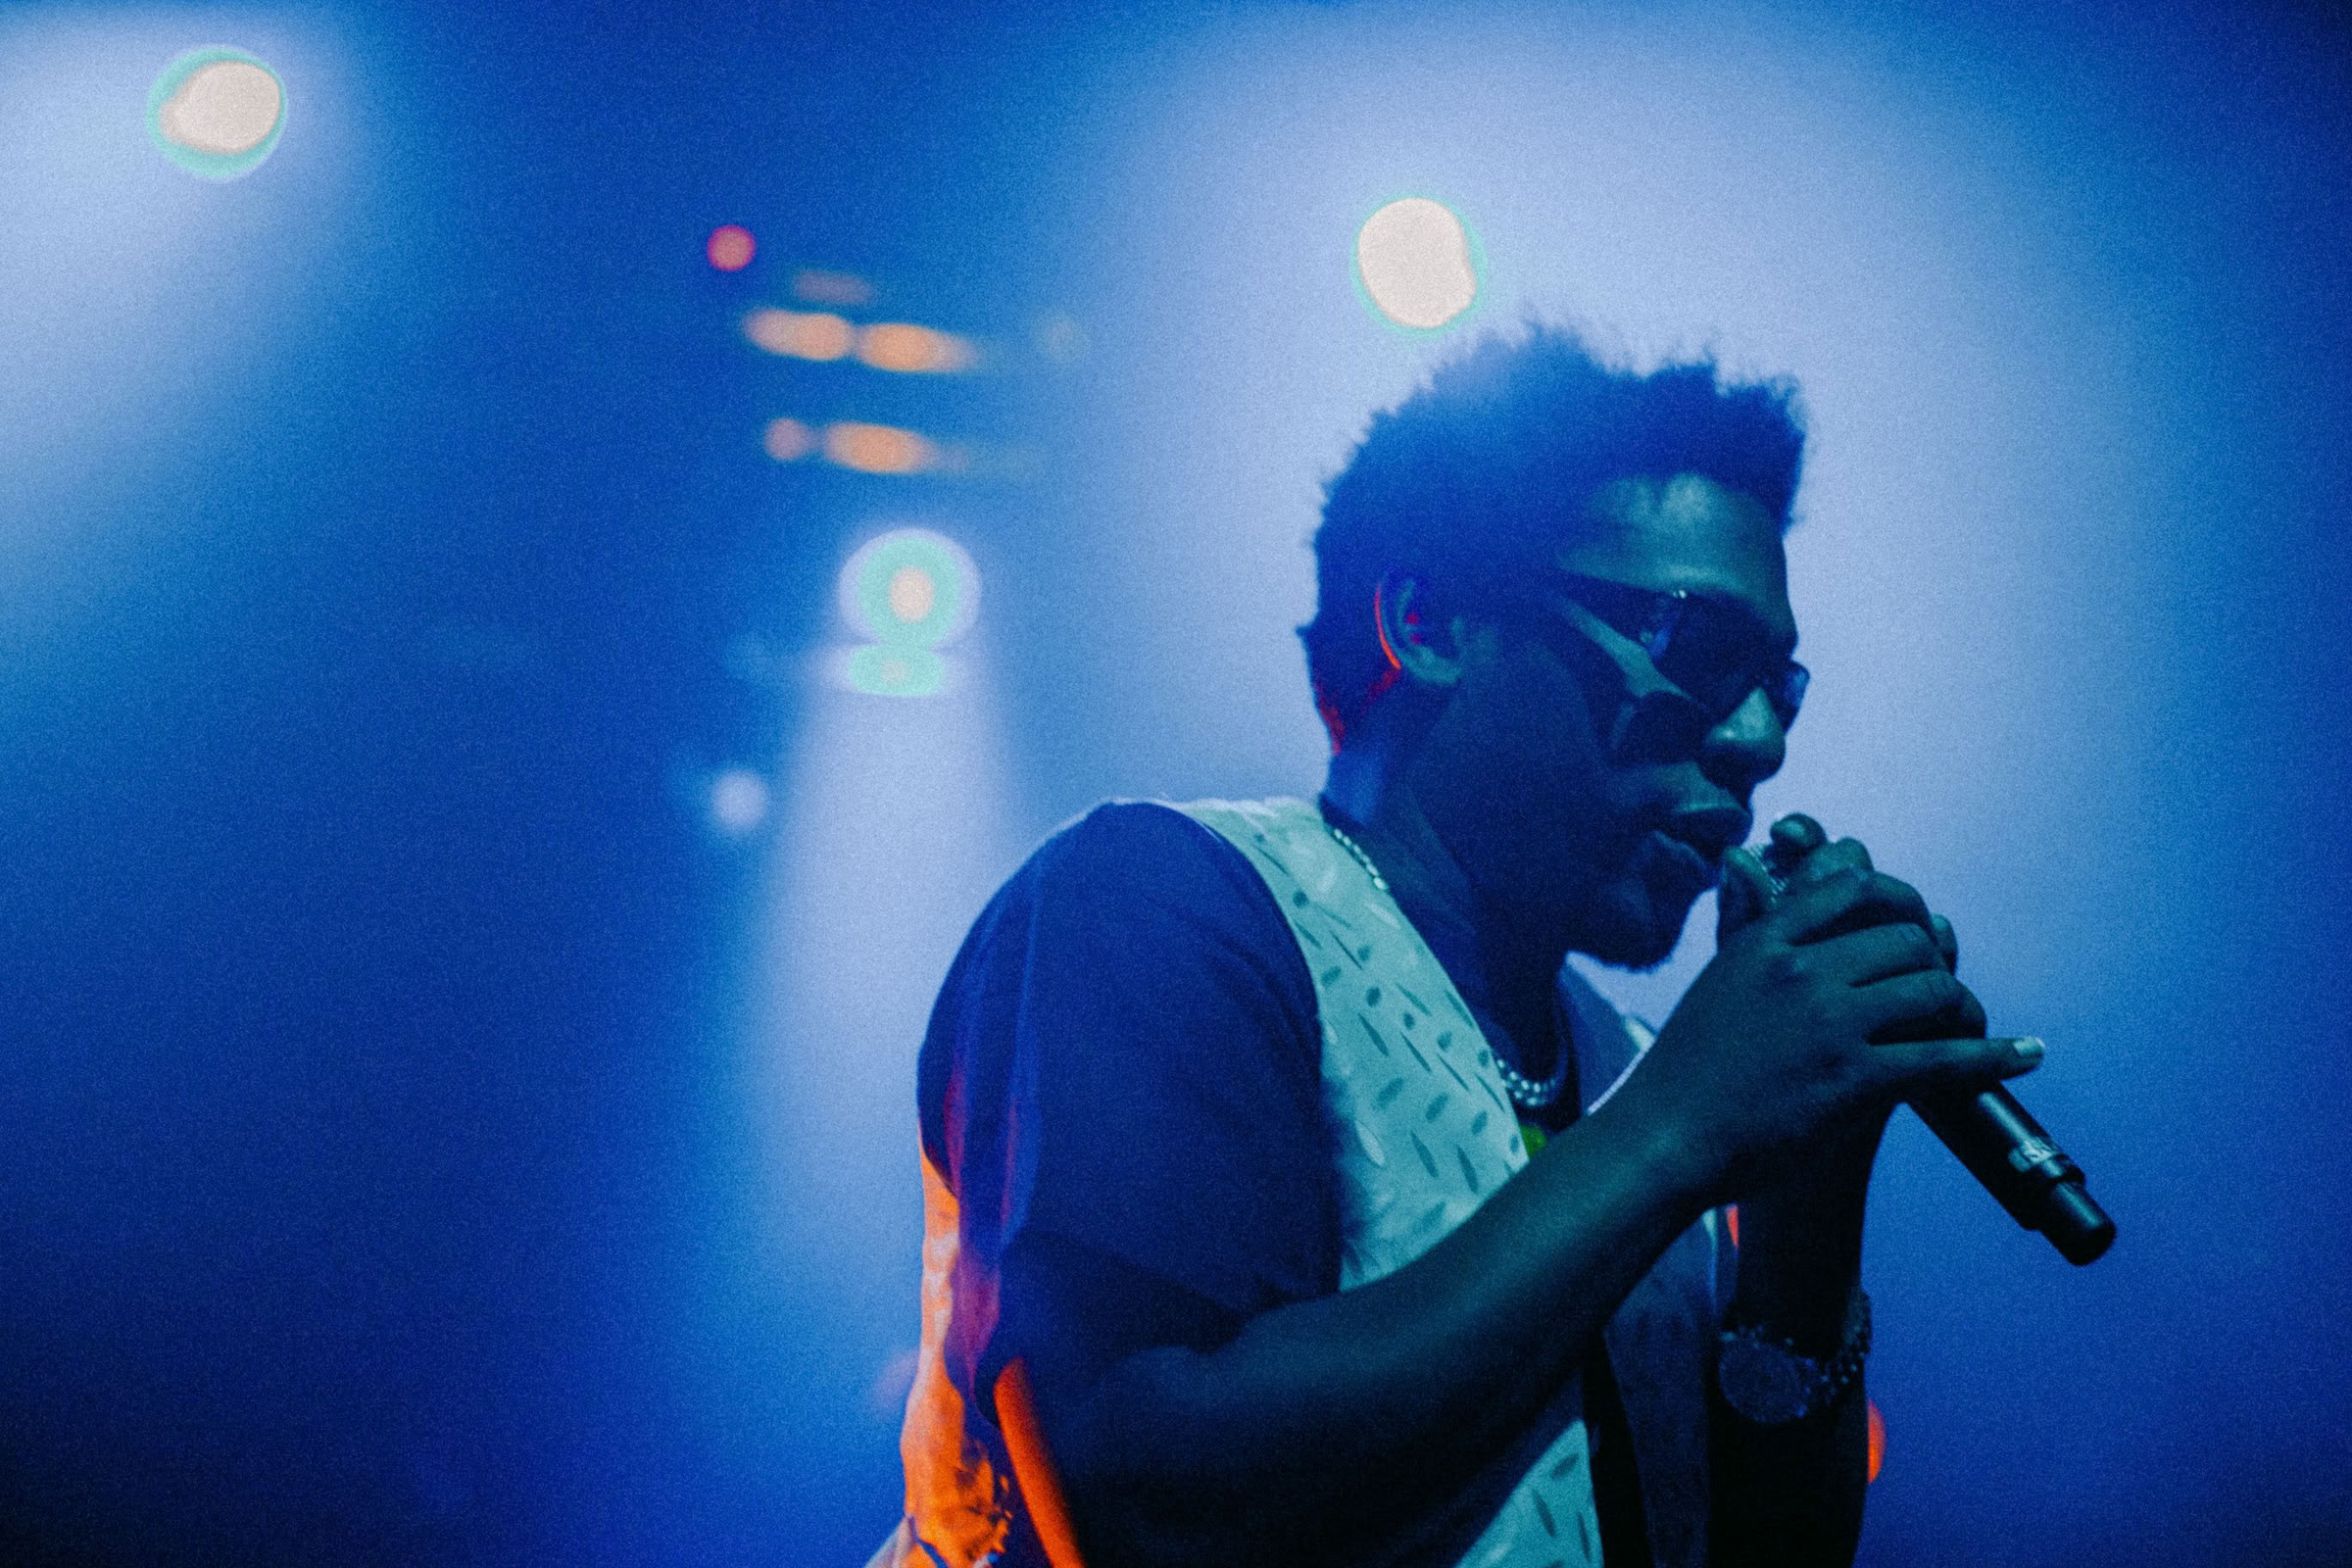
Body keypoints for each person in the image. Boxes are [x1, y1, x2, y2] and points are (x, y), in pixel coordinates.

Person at [874, 327, 2043, 1568]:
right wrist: (1683, 1125)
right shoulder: (1162, 896)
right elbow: (1141, 1513)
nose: (1759, 740)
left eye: (1780, 686)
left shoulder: (1632, 1062)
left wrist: (1802, 1217)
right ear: (1431, 622)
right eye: (1700, 648)